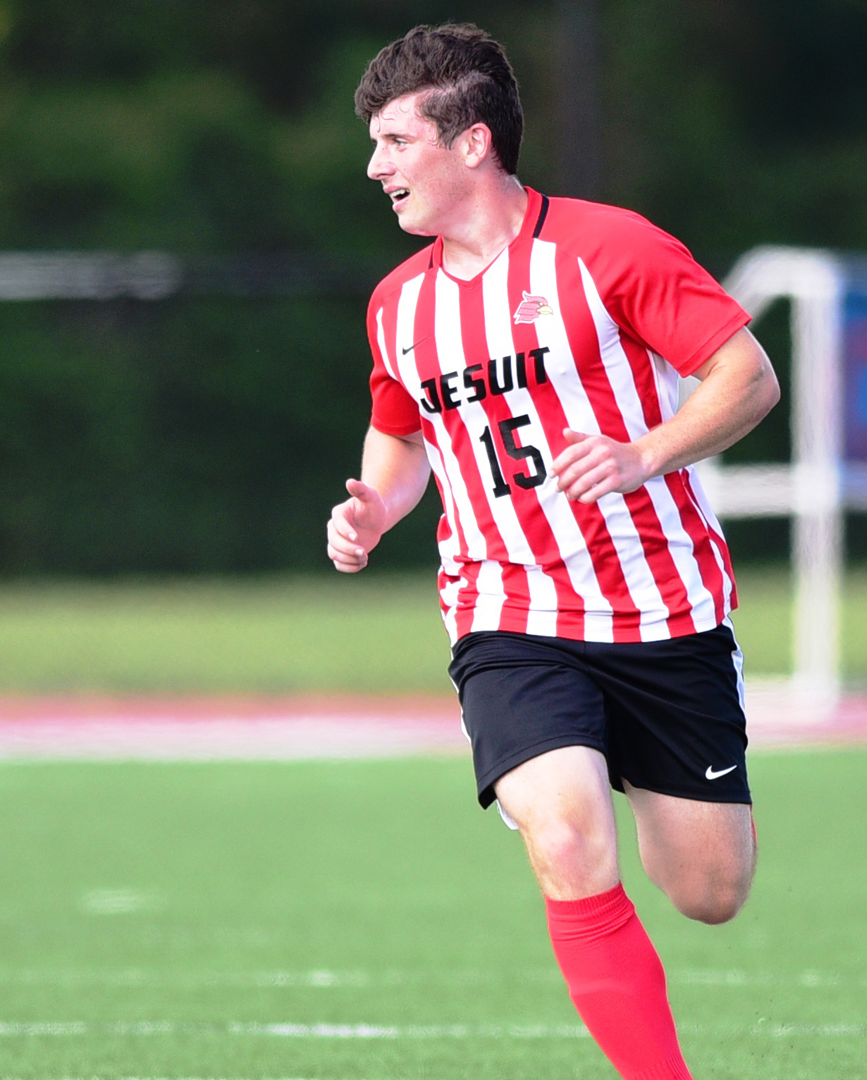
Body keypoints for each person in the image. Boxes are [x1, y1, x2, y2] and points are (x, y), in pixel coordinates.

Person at [325, 23, 779, 1080]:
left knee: (710, 892)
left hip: (662, 607)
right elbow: (404, 436)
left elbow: (746, 377)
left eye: (396, 142)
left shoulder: (611, 248)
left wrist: (644, 452)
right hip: (508, 610)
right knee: (567, 836)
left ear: (472, 142)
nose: (376, 166)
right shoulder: (398, 305)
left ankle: (616, 757)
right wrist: (378, 507)